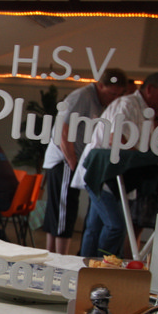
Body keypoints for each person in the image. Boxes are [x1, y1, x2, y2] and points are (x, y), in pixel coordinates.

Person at [72, 72, 158, 258]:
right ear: (150, 89)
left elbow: (145, 146)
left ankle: (86, 265)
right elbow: (116, 139)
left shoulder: (146, 112)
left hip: (115, 176)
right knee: (115, 226)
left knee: (94, 227)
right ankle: (103, 265)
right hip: (103, 174)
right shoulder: (128, 104)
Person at [41, 69, 127, 255]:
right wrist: (72, 162)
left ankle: (52, 256)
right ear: (100, 86)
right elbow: (62, 130)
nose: (114, 99)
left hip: (73, 160)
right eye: (112, 94)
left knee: (60, 211)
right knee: (65, 212)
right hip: (64, 160)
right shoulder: (83, 96)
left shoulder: (100, 102)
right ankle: (60, 259)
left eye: (118, 95)